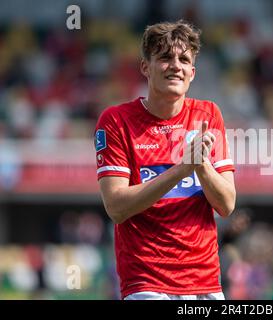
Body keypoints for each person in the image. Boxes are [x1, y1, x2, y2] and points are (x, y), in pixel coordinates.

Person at [94, 21, 236, 300]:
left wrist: (201, 166)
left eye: (184, 60)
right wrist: (182, 168)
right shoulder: (116, 121)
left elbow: (227, 204)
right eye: (164, 58)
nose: (175, 66)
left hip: (206, 284)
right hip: (146, 284)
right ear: (145, 67)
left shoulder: (208, 115)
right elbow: (116, 207)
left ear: (192, 73)